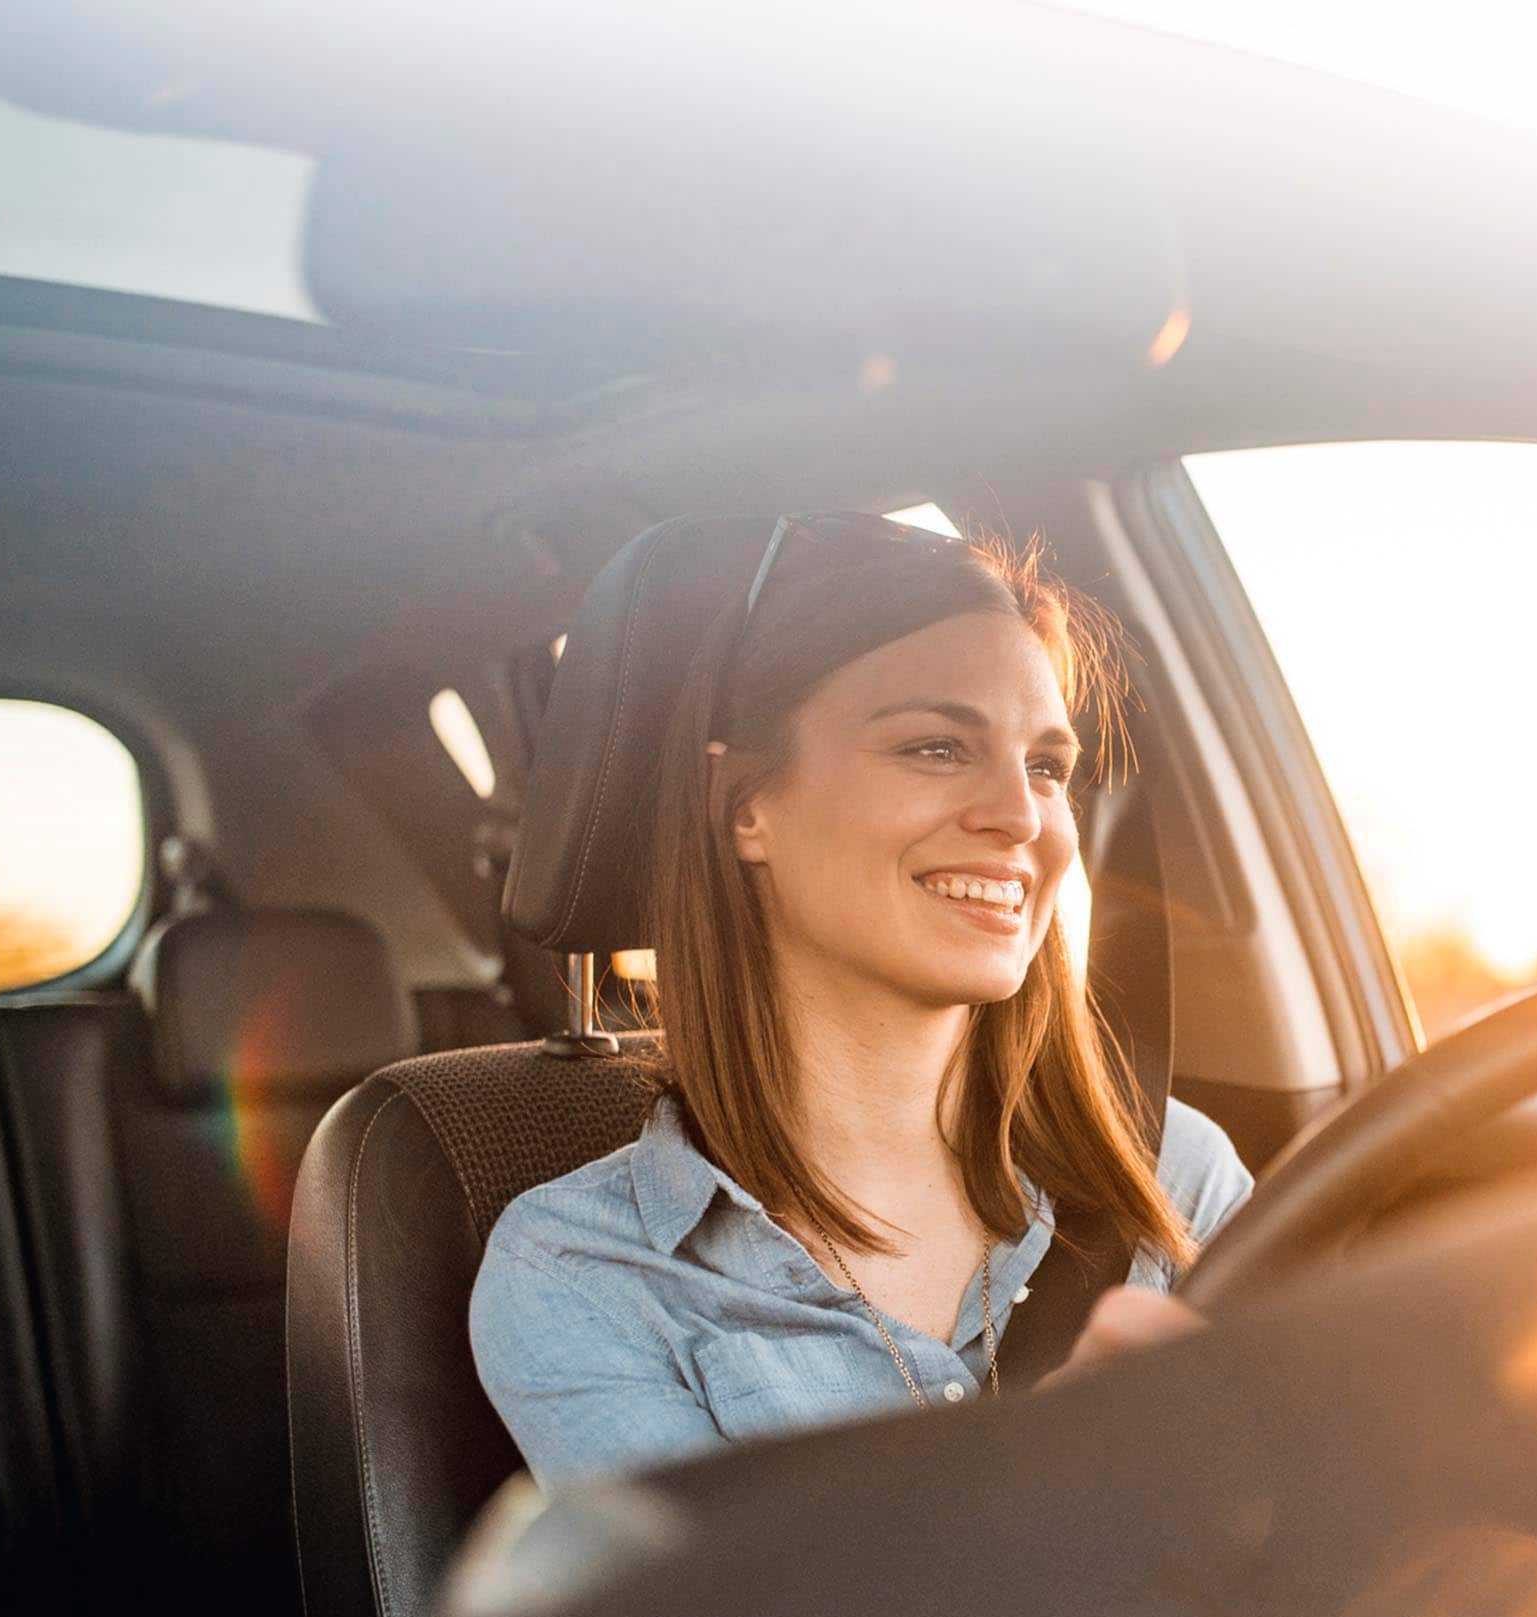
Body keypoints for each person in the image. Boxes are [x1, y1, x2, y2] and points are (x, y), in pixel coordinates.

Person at [471, 513, 1251, 1487]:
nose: (1020, 817)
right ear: (744, 803)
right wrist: (1056, 1486)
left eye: (1046, 766)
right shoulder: (583, 1272)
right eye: (934, 747)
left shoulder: (1173, 1173)